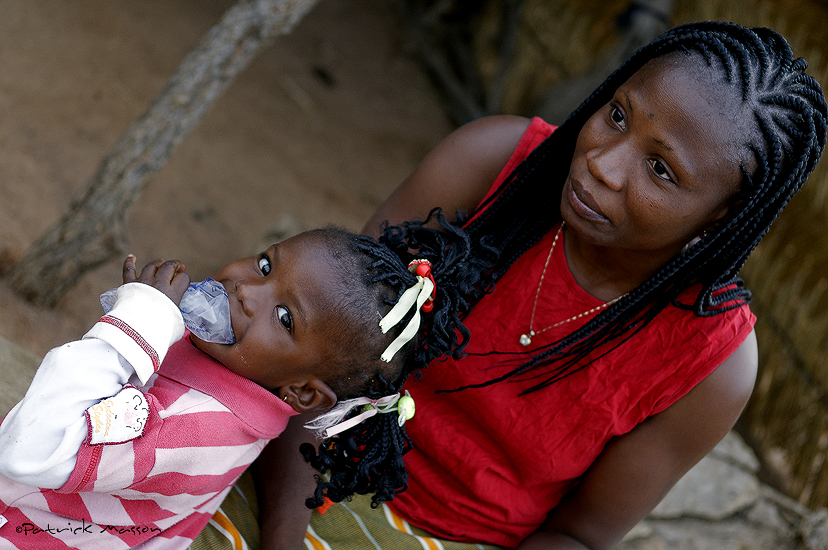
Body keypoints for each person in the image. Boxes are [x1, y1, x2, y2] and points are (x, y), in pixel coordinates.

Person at [193, 20, 827, 550]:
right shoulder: (492, 164)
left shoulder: (709, 363)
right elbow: (320, 354)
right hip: (303, 458)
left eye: (660, 169)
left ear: (724, 217)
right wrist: (281, 539)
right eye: (616, 115)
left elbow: (579, 537)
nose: (602, 164)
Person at [0, 222, 479, 550]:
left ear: (304, 394)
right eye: (267, 266)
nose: (247, 291)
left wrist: (130, 330)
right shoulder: (245, 388)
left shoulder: (199, 429)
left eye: (286, 317)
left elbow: (30, 448)